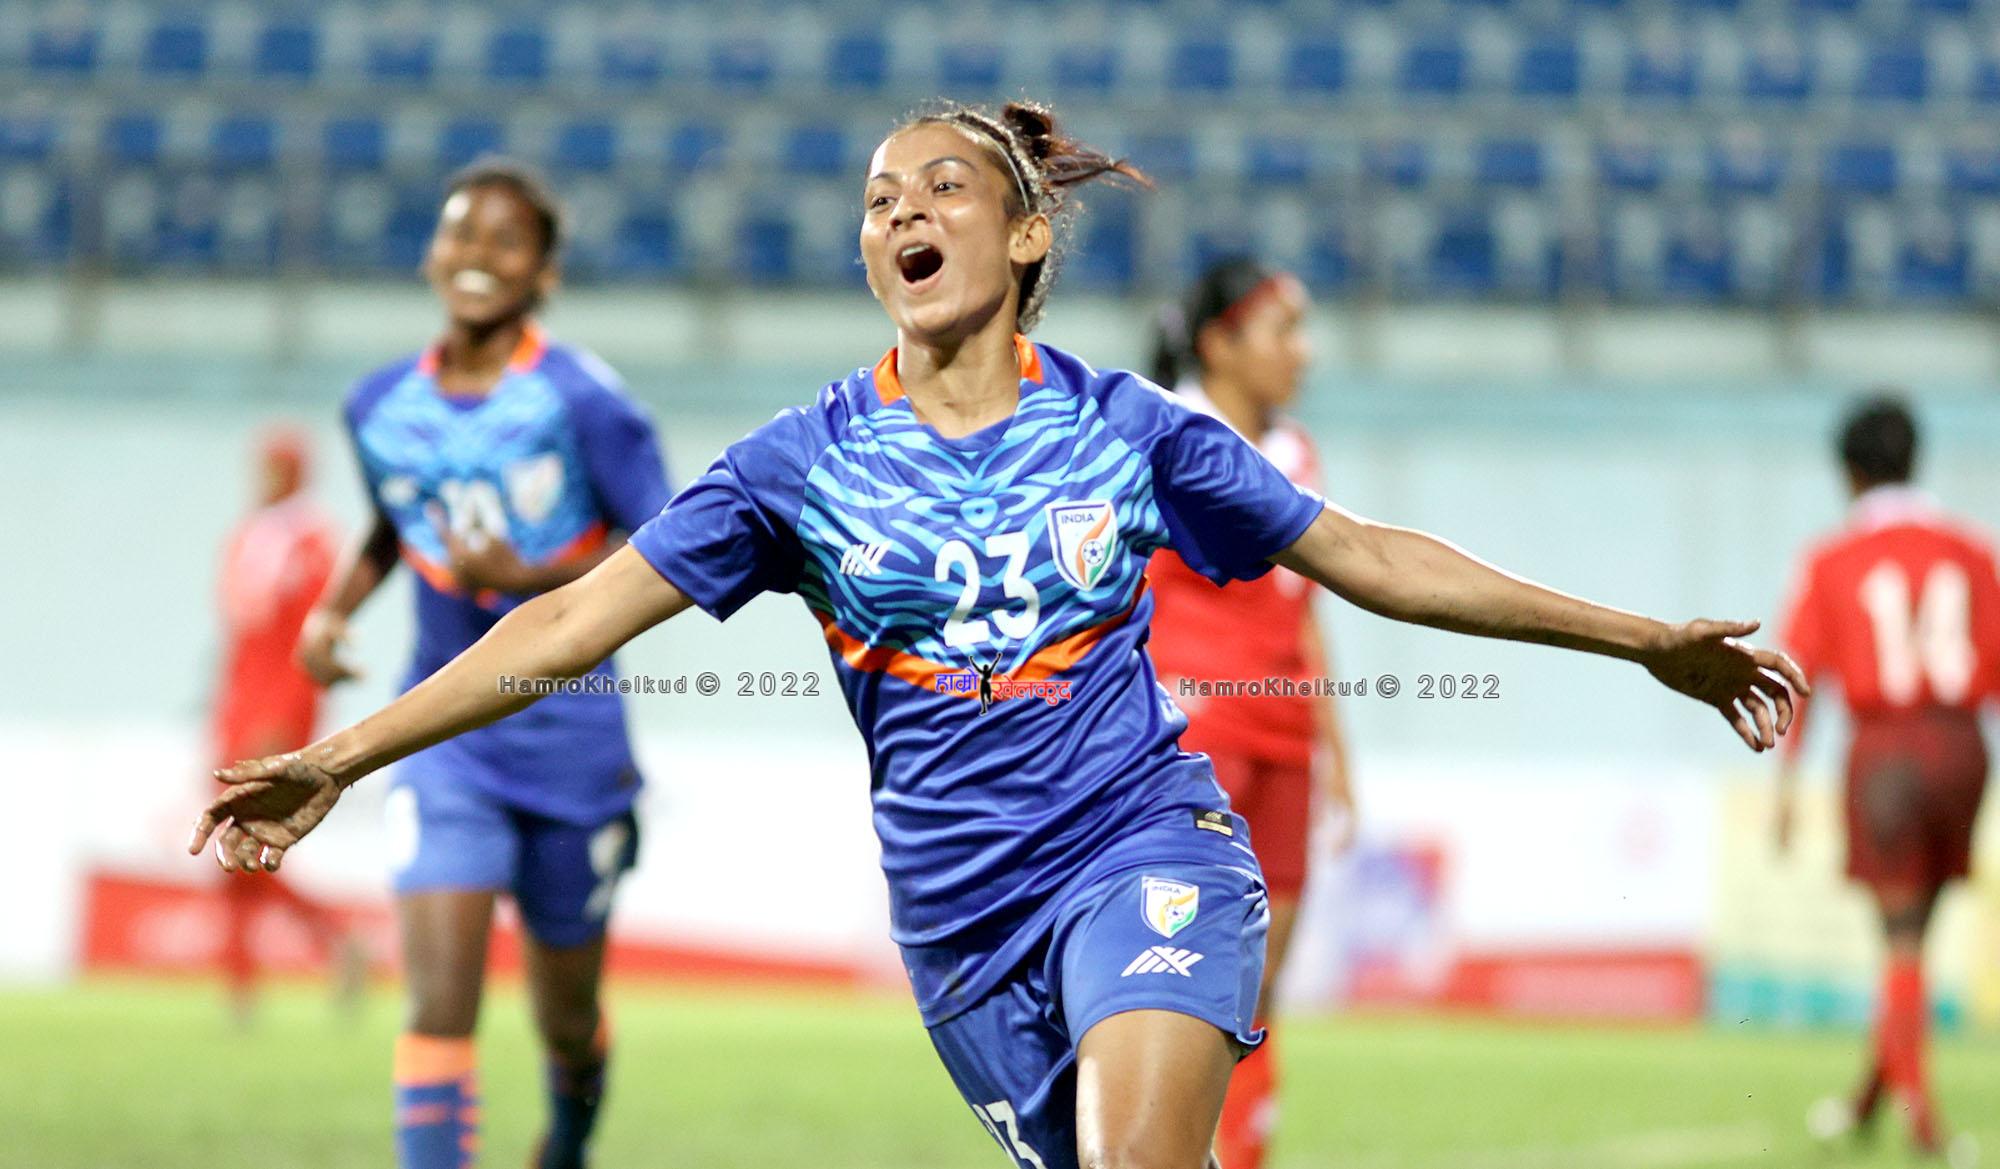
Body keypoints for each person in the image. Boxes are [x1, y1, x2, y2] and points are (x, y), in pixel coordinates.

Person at [194, 102, 1803, 1169]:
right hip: (960, 927)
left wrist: (1641, 639)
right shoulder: (796, 466)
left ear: (1027, 238)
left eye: (942, 188)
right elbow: (564, 618)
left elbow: (1367, 556)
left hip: (1143, 844)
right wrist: (342, 755)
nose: (902, 210)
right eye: (878, 199)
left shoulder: (1132, 429)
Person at [289, 158, 672, 1169]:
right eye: (461, 232)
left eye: (507, 241)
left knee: (565, 1018)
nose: (477, 255)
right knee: (438, 1001)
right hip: (445, 737)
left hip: (571, 740)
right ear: (431, 254)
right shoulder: (378, 405)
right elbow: (398, 519)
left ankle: (568, 1140)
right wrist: (333, 609)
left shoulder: (582, 399)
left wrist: (527, 573)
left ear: (544, 274)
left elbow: (666, 544)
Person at [1145, 257, 1353, 1169]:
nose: (1302, 351)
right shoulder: (1162, 432)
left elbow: (1305, 612)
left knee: (1264, 977)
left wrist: (1339, 754)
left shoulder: (1299, 452)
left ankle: (1239, 1151)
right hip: (1196, 732)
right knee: (1180, 971)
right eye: (1284, 330)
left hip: (1286, 733)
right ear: (1219, 343)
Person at [1777, 395, 1996, 1165]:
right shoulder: (1972, 552)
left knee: (1900, 938)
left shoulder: (1833, 558)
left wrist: (1785, 782)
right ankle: (1866, 1101)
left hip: (1886, 754)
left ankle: (1922, 1118)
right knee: (1912, 940)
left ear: (1851, 473)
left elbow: (1796, 676)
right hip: (1963, 747)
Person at [207, 425, 362, 1026]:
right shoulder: (251, 536)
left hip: (274, 712)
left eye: (272, 467)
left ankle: (249, 984)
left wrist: (285, 719)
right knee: (230, 844)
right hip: (237, 705)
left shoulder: (312, 541)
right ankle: (267, 974)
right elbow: (239, 635)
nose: (261, 478)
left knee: (240, 838)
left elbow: (307, 642)